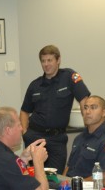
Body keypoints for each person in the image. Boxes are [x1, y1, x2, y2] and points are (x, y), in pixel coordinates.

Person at [20, 44, 90, 174]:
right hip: (35, 136)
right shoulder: (35, 85)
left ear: (58, 60)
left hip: (57, 139)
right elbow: (24, 111)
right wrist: (24, 133)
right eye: (43, 61)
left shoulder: (69, 77)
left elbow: (84, 99)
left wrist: (88, 123)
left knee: (55, 177)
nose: (46, 64)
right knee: (34, 177)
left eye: (50, 60)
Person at [63, 95, 105, 188]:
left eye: (93, 107)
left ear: (104, 112)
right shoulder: (79, 138)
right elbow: (69, 167)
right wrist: (62, 183)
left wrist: (74, 184)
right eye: (85, 108)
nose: (87, 112)